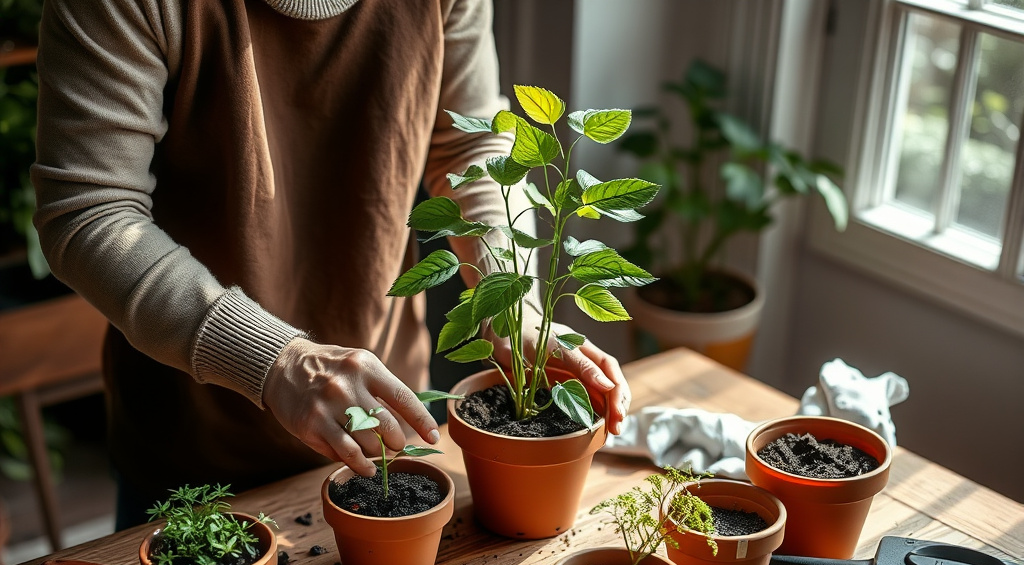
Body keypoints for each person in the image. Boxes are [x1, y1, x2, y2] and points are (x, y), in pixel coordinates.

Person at [32, 0, 632, 530]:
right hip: (197, 445)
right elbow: (90, 212)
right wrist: (274, 360)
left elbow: (469, 144)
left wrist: (511, 307)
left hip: (385, 424)